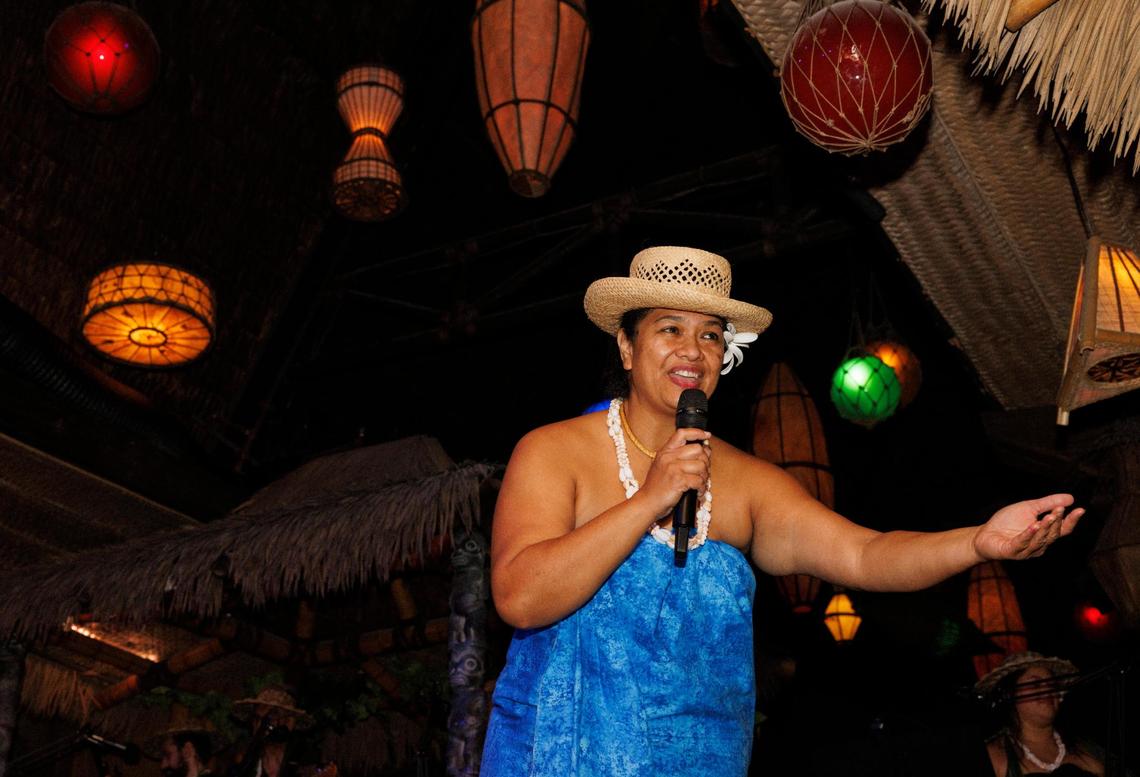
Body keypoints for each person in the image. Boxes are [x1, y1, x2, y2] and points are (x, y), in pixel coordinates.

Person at [479, 246, 1085, 776]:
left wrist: (977, 541)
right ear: (627, 345)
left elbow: (865, 554)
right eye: (670, 329)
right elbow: (520, 597)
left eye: (712, 334)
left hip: (703, 759)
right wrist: (649, 501)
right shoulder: (553, 451)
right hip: (562, 752)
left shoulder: (747, 482)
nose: (694, 350)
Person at [977, 652, 1104, 776]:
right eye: (1036, 684)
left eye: (1051, 684)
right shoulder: (993, 758)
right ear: (1009, 694)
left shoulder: (1089, 756)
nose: (1047, 690)